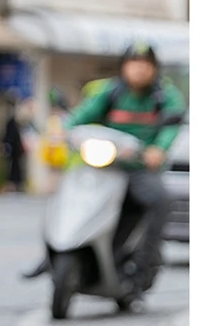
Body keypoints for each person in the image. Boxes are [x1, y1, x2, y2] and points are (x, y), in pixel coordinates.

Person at [62, 43, 185, 299]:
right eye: (134, 63)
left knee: (160, 200)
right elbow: (80, 116)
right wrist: (63, 130)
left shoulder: (164, 95)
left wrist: (158, 149)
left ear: (154, 68)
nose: (139, 69)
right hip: (107, 167)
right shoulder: (111, 92)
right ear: (124, 66)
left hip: (140, 169)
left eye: (145, 64)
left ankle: (142, 268)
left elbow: (171, 127)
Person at [1, 96, 26, 191]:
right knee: (12, 166)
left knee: (15, 166)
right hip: (13, 147)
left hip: (15, 148)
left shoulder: (13, 122)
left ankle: (15, 183)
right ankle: (13, 183)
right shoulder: (11, 122)